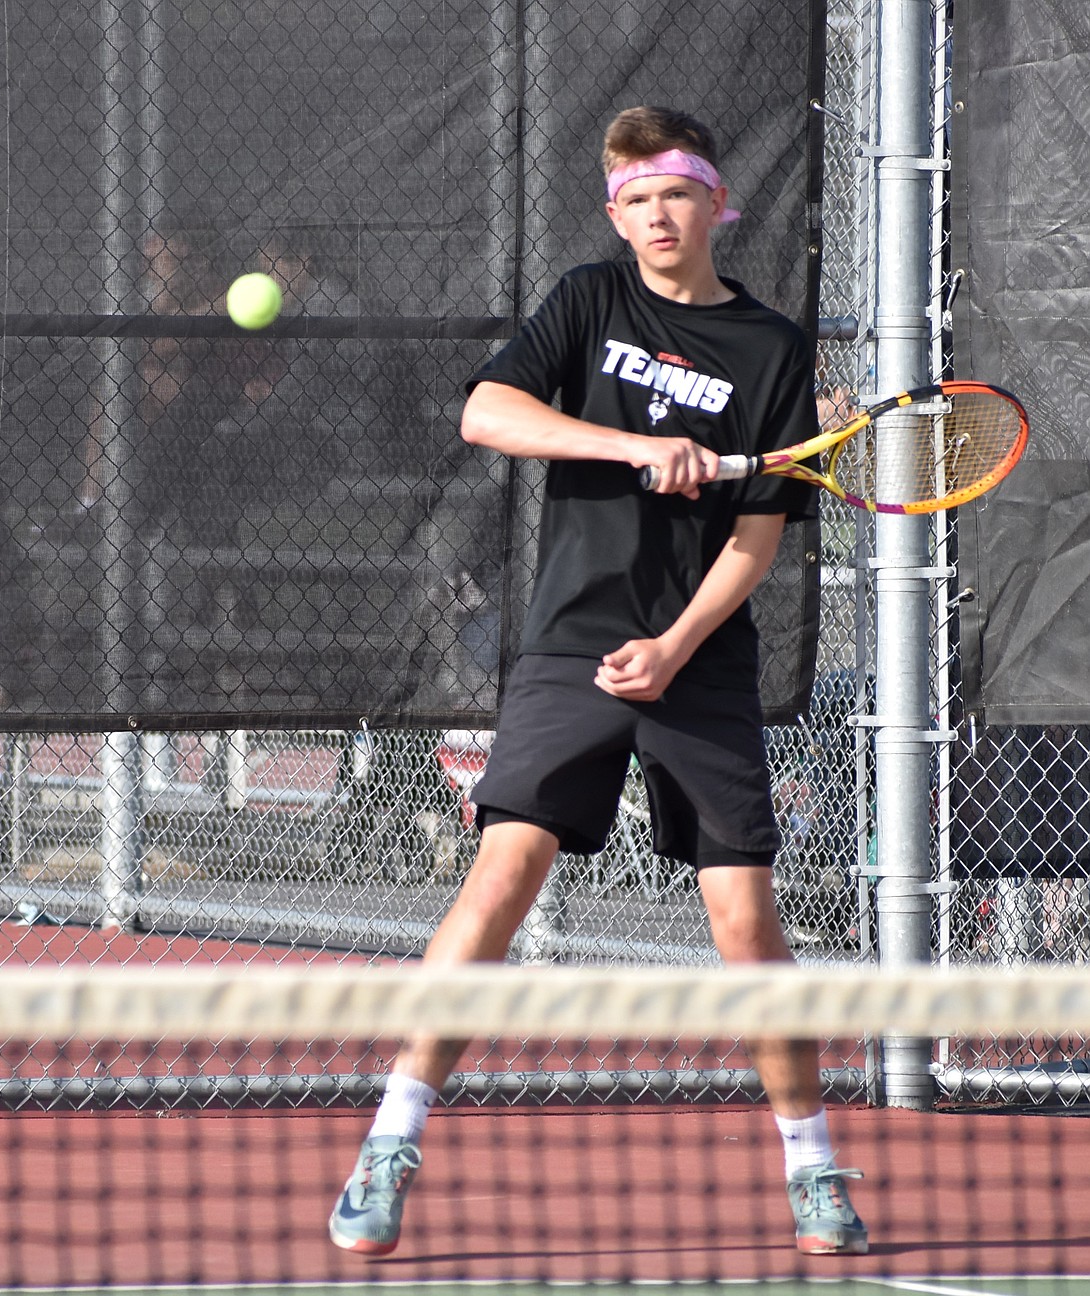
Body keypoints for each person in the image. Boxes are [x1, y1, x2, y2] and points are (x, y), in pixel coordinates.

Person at [329, 105, 867, 1259]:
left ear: (719, 202)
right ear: (612, 215)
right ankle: (391, 1137)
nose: (655, 216)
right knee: (501, 875)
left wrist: (673, 647)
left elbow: (755, 544)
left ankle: (814, 1163)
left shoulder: (772, 350)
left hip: (700, 660)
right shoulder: (587, 300)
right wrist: (631, 445)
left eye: (674, 193)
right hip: (571, 643)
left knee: (744, 918)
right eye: (632, 199)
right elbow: (487, 412)